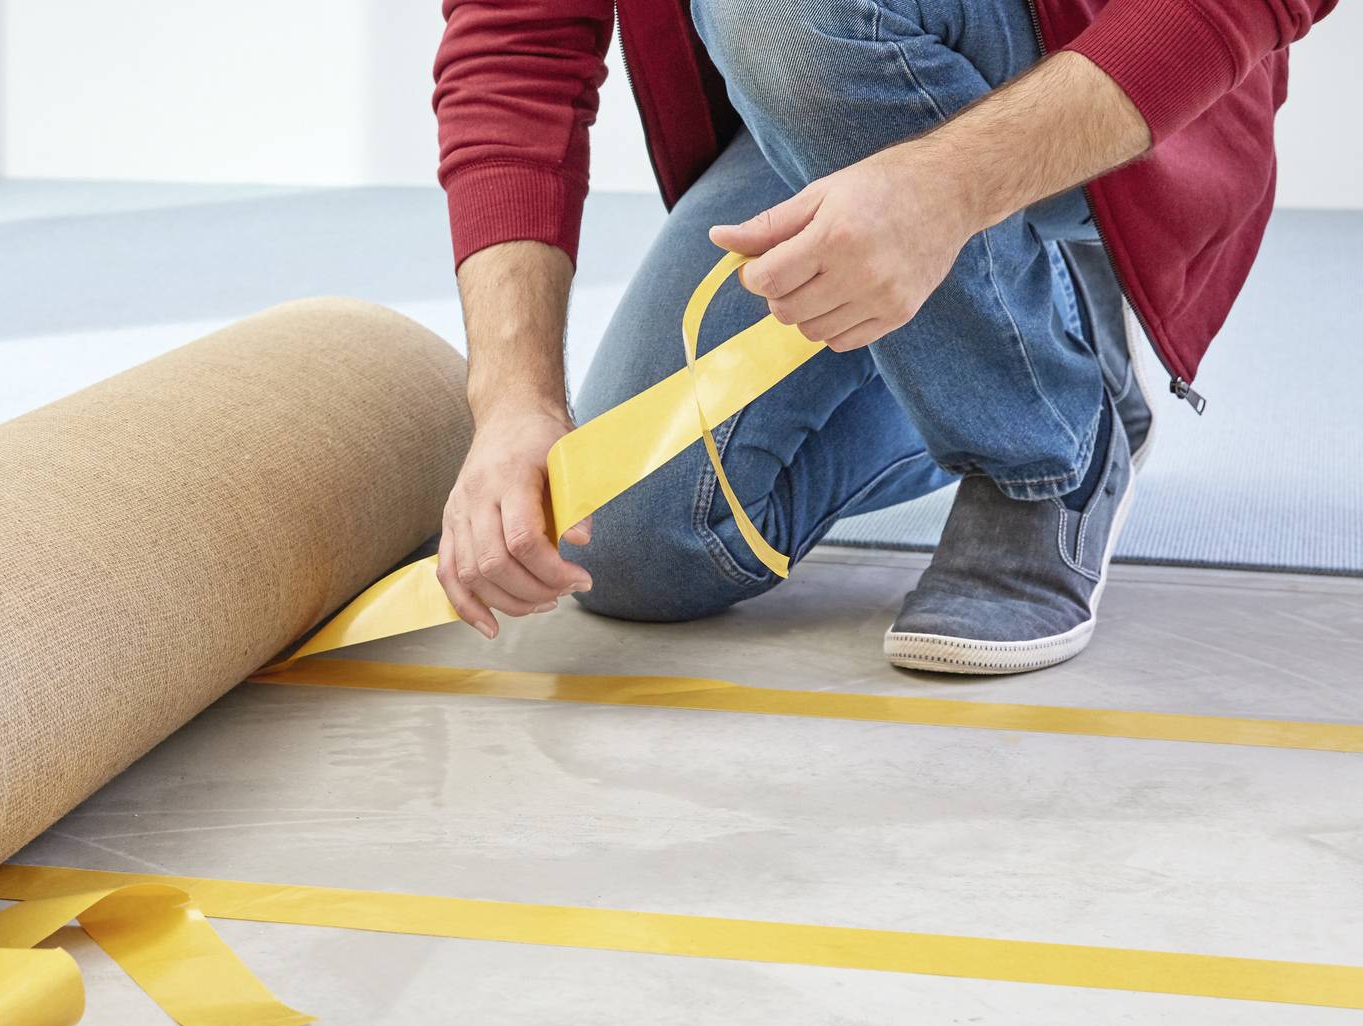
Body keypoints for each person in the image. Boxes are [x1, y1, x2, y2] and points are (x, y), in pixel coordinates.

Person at [430, 0, 1333, 673]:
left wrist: (950, 189)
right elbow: (519, 39)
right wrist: (511, 400)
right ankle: (1020, 322)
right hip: (824, 71)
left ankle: (1048, 450)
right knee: (635, 541)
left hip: (1102, 84)